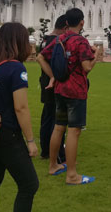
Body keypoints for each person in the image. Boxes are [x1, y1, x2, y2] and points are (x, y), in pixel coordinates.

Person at [0, 22, 39, 212]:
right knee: (29, 184)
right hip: (8, 135)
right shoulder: (16, 68)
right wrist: (30, 140)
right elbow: (21, 108)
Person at [37, 8, 97, 185]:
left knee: (58, 127)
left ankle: (53, 165)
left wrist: (54, 75)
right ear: (82, 22)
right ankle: (71, 174)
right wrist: (97, 56)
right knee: (74, 131)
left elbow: (40, 57)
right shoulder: (81, 41)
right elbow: (86, 67)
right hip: (76, 91)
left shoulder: (59, 39)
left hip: (60, 90)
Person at [39, 14, 67, 161]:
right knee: (57, 120)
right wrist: (53, 77)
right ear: (65, 27)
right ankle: (56, 153)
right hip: (54, 84)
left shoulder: (45, 39)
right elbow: (41, 58)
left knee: (47, 116)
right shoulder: (57, 41)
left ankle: (45, 150)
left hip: (45, 83)